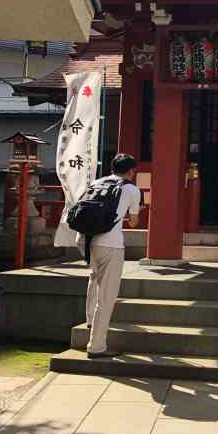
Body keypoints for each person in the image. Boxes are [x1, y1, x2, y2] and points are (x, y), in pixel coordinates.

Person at [84, 153, 141, 359]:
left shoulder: (97, 182)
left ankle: (90, 321)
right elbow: (134, 222)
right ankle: (97, 346)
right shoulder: (131, 189)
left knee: (94, 279)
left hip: (90, 240)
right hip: (112, 244)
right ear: (130, 171)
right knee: (106, 297)